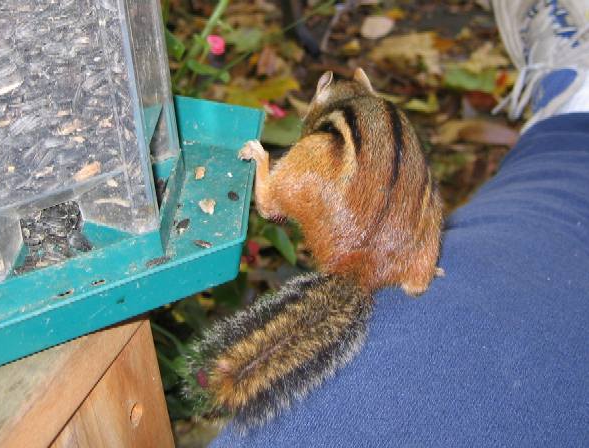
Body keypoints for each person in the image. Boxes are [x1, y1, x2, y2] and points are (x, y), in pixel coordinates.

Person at [211, 0, 589, 445]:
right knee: (430, 197)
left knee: (310, 159)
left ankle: (571, 110)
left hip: (350, 234)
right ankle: (572, 110)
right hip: (417, 251)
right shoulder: (378, 117)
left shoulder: (329, 124)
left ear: (321, 94)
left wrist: (268, 174)